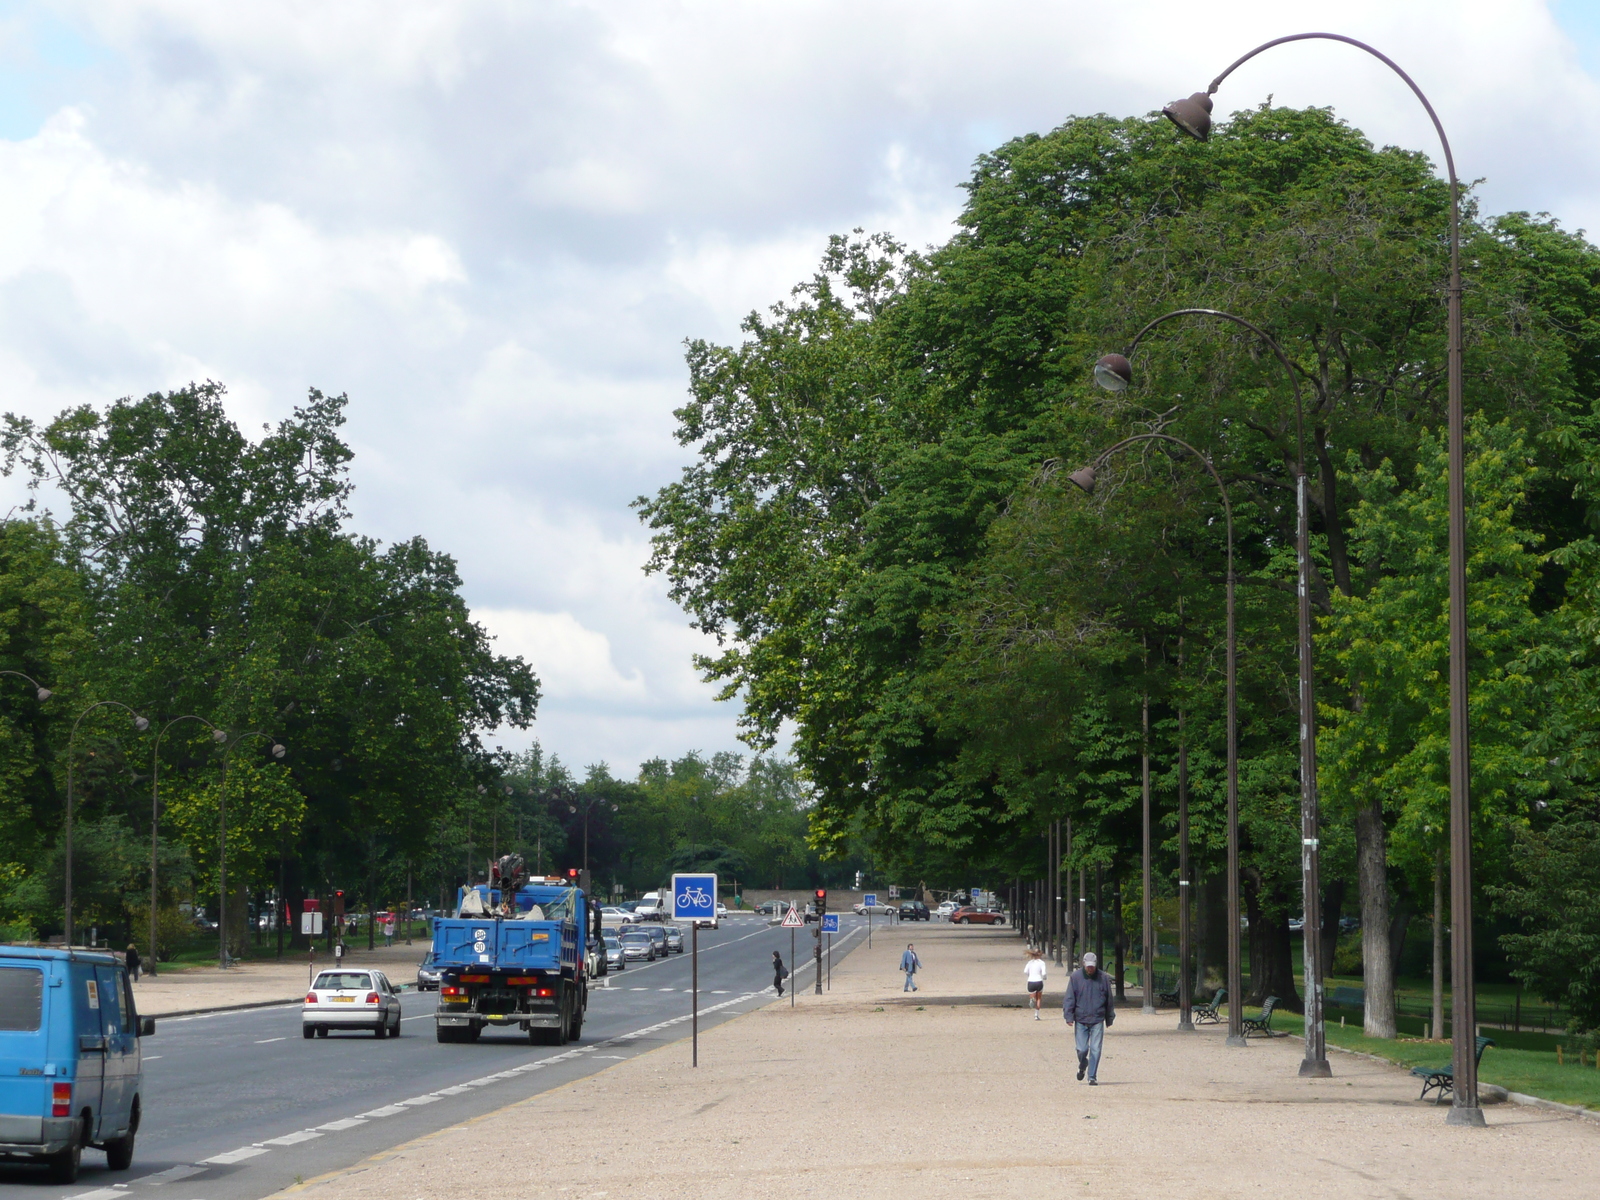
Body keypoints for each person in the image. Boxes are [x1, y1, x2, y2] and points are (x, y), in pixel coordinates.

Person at [1062, 951, 1115, 1084]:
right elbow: (1069, 997)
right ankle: (1083, 1063)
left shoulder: (1103, 978)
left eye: (1092, 966)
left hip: (1097, 1018)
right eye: (1088, 966)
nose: (1090, 969)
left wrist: (1109, 1018)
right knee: (1082, 1049)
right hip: (1081, 1018)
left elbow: (1109, 999)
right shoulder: (1075, 977)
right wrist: (1069, 1015)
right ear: (1084, 964)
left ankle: (1092, 1076)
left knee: (1096, 1049)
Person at [1024, 949, 1047, 1018]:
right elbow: (1044, 973)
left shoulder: (1029, 963)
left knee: (1032, 993)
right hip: (1039, 981)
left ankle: (1031, 999)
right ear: (1040, 954)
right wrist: (1044, 977)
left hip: (1031, 981)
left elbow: (1025, 971)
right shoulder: (1042, 963)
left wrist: (1029, 975)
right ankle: (1036, 1015)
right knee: (1039, 999)